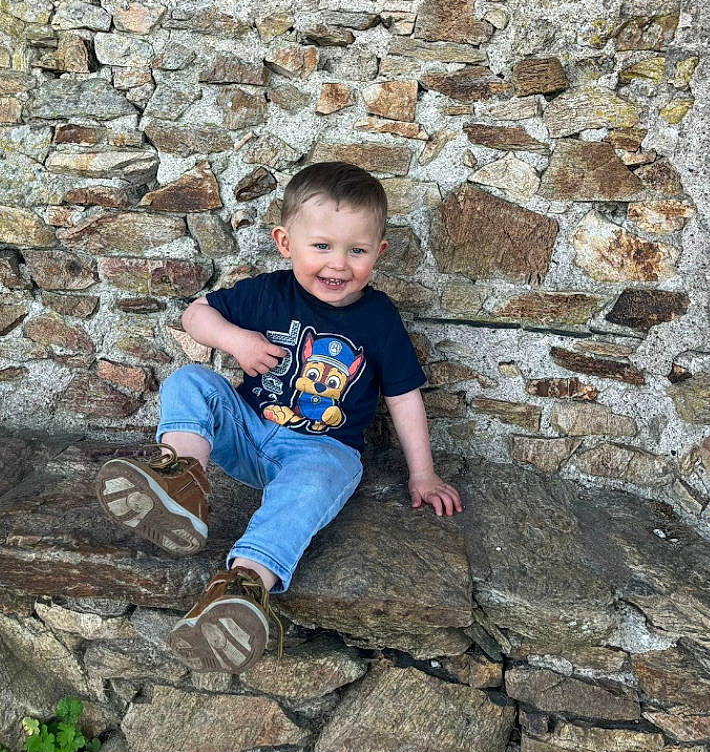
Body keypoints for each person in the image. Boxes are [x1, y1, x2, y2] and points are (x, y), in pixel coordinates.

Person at [95, 161, 462, 673]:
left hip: (320, 450)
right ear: (285, 242)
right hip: (248, 432)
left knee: (316, 482)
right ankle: (182, 478)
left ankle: (243, 587)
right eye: (322, 247)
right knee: (189, 383)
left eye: (356, 251)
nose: (338, 265)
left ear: (378, 253)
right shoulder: (269, 291)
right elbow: (194, 314)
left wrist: (422, 472)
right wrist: (235, 341)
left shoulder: (378, 319)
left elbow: (403, 396)